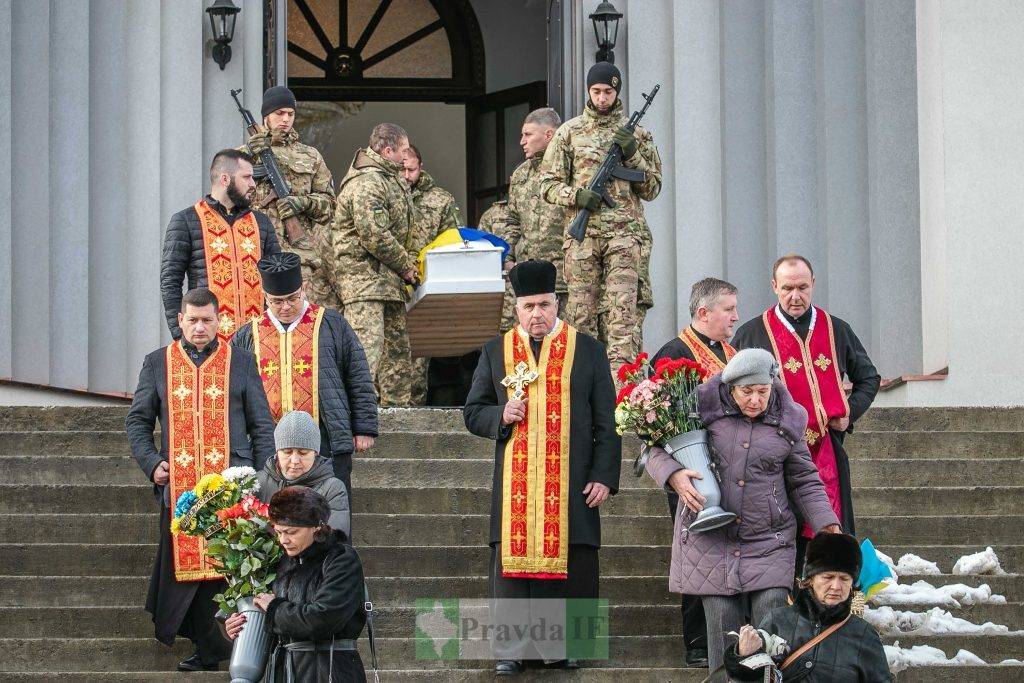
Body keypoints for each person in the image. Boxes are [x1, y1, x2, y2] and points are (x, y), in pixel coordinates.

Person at [463, 259, 621, 675]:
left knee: (575, 560)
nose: (537, 314)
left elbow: (608, 420)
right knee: (511, 567)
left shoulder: (588, 349)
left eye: (545, 305)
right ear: (517, 308)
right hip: (517, 485)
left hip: (572, 480)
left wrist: (604, 475)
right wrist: (501, 415)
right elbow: (472, 411)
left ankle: (569, 646)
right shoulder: (495, 351)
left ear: (557, 305)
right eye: (529, 306)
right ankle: (512, 650)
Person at [644, 348, 841, 674]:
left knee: (771, 627)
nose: (754, 400)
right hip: (710, 541)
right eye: (746, 392)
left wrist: (828, 525)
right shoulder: (698, 409)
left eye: (762, 391)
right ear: (730, 387)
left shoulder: (786, 420)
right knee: (725, 641)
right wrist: (674, 475)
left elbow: (805, 480)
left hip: (769, 541)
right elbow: (652, 447)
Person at [125, 287, 276, 671]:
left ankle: (222, 648)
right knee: (185, 567)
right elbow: (138, 422)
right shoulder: (157, 363)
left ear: (219, 320)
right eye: (192, 320)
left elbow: (261, 425)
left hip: (232, 486)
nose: (199, 327)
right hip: (178, 487)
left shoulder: (241, 361)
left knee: (224, 567)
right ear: (180, 320)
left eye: (207, 320)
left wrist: (260, 477)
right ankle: (201, 642)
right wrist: (152, 463)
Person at [732, 254, 880, 570]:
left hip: (828, 450)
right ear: (774, 286)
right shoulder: (751, 334)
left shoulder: (836, 329)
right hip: (775, 455)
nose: (795, 296)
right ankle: (788, 609)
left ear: (813, 284)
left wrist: (850, 412)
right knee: (784, 538)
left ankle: (840, 610)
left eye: (802, 287)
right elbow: (731, 393)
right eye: (787, 288)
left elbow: (869, 378)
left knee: (833, 537)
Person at [539, 61, 662, 371]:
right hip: (583, 239)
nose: (602, 98)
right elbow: (547, 185)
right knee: (581, 317)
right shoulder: (569, 132)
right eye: (596, 91)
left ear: (616, 91)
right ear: (588, 91)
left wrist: (632, 152)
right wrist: (576, 196)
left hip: (624, 237)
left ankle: (622, 396)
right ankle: (583, 393)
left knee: (622, 318)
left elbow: (652, 188)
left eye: (608, 91)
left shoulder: (638, 135)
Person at [233, 252, 378, 503]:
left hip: (325, 437)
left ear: (303, 290)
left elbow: (357, 374)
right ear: (265, 297)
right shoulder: (248, 334)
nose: (286, 307)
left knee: (328, 514)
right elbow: (235, 391)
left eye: (292, 298)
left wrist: (364, 427)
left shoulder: (331, 324)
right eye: (277, 301)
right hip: (269, 443)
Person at [649, 277, 740, 668]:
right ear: (703, 313)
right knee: (697, 555)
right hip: (690, 474)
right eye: (728, 309)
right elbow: (656, 421)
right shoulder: (674, 352)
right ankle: (699, 642)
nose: (736, 316)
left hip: (733, 469)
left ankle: (733, 636)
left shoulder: (730, 351)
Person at [225, 487, 369, 682]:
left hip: (331, 671)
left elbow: (322, 619)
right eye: (278, 532)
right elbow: (264, 618)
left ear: (317, 528)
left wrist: (274, 608)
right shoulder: (280, 560)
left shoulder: (341, 560)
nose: (284, 540)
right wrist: (240, 625)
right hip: (284, 670)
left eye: (291, 532)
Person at [326, 122, 418, 406]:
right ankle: (358, 413)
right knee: (365, 351)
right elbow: (374, 235)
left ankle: (398, 412)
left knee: (398, 352)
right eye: (403, 150)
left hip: (387, 282)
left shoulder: (388, 179)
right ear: (387, 150)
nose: (407, 156)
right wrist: (406, 265)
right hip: (364, 282)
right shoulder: (367, 182)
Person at [725, 533, 892, 682]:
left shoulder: (864, 634)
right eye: (828, 577)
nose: (836, 586)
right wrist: (744, 656)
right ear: (810, 579)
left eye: (844, 579)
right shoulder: (777, 621)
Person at [161, 149, 281, 341]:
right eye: (247, 177)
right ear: (225, 179)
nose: (253, 184)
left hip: (259, 341)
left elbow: (277, 281)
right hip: (208, 341)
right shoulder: (185, 221)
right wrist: (181, 334)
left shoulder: (261, 223)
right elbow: (170, 282)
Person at [242, 86, 338, 308]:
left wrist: (302, 203)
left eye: (290, 114)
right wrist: (250, 154)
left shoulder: (310, 155)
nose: (285, 119)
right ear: (266, 115)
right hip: (255, 253)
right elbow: (229, 200)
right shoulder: (243, 154)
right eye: (279, 113)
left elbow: (330, 205)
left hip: (300, 257)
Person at [499, 108, 570, 332]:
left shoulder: (571, 168)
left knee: (566, 343)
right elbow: (511, 221)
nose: (522, 141)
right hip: (528, 278)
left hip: (566, 277)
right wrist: (507, 259)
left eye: (528, 134)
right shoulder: (521, 174)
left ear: (548, 135)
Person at [404, 143, 463, 405]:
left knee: (419, 356)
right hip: (392, 284)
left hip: (427, 288)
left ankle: (415, 414)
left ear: (421, 168)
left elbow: (454, 243)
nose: (406, 175)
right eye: (401, 169)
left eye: (412, 169)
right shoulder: (384, 194)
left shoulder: (440, 200)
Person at [257, 410, 351, 538]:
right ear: (277, 452)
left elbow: (335, 538)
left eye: (303, 453)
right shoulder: (259, 482)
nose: (295, 460)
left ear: (315, 453)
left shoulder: (332, 488)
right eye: (287, 452)